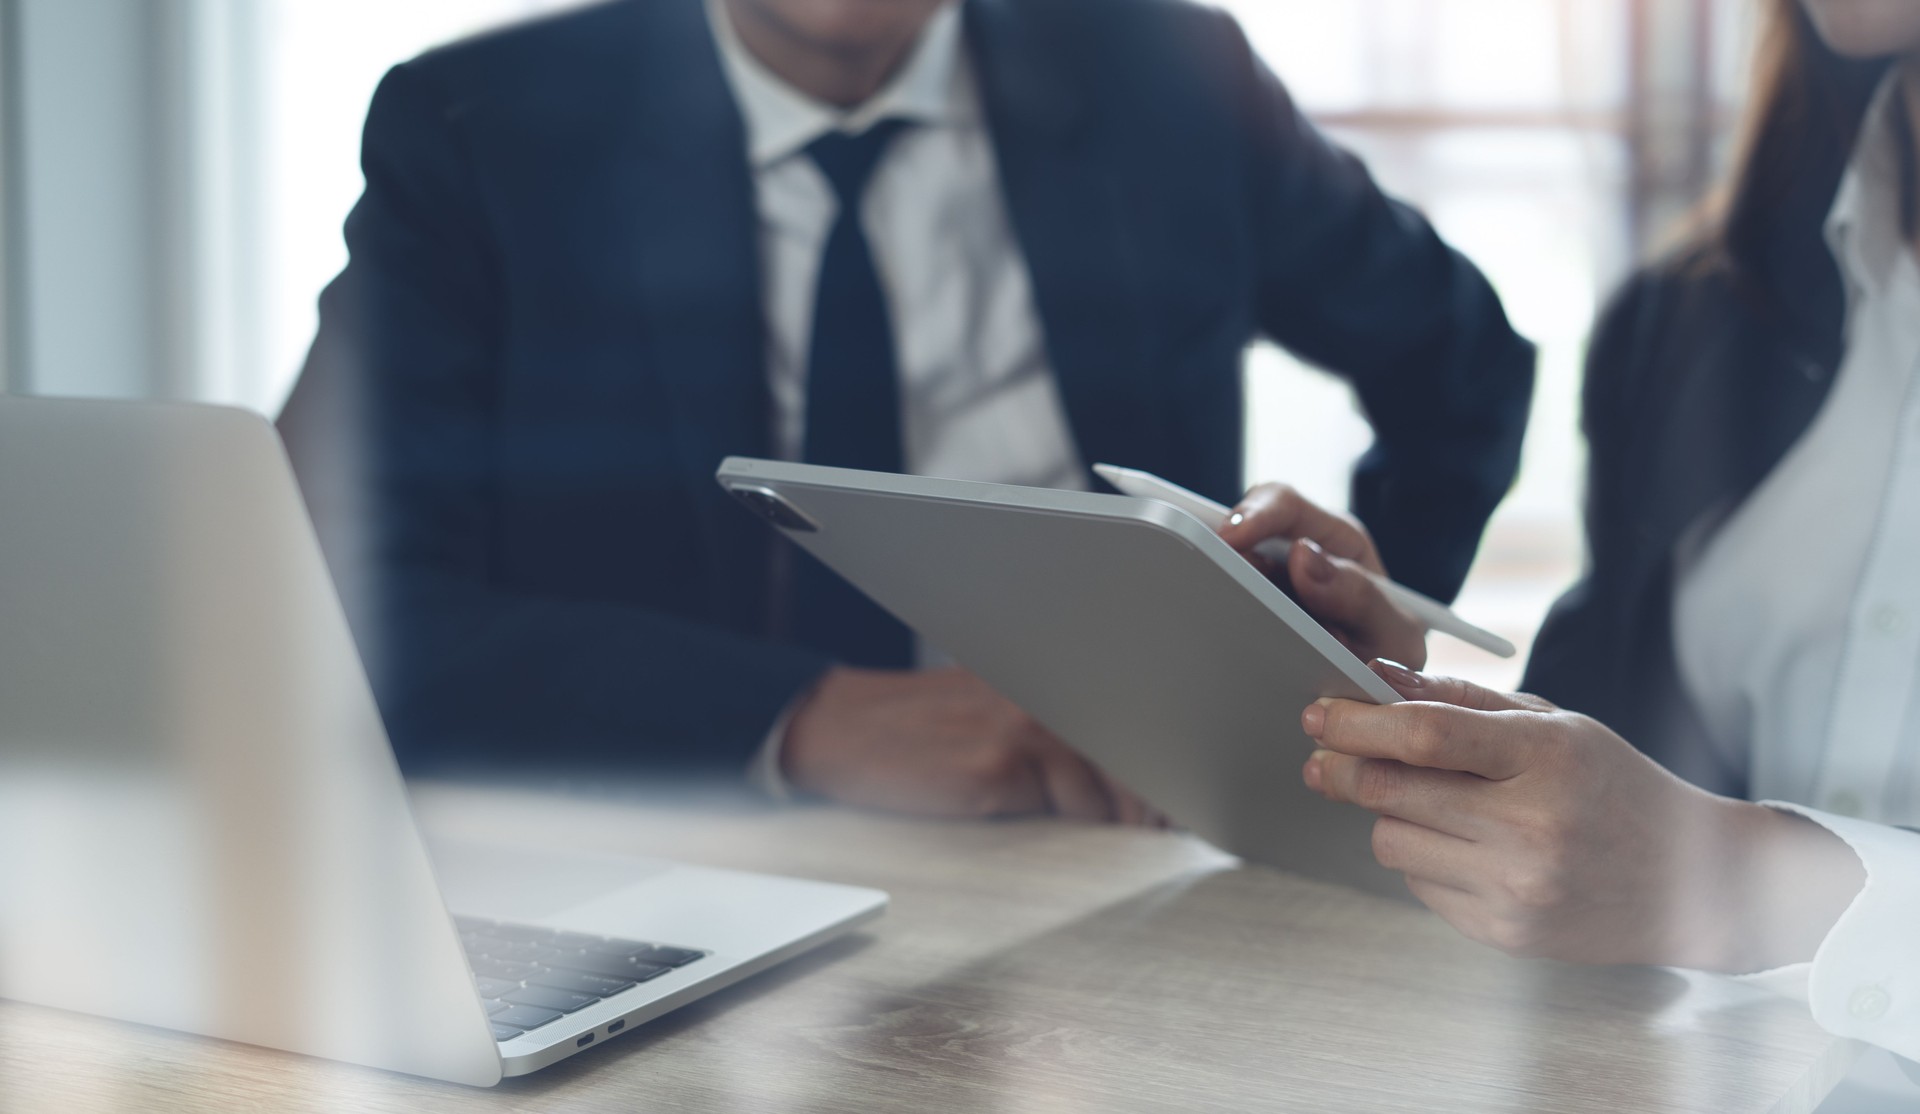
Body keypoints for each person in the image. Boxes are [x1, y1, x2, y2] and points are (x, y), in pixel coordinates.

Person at [277, 0, 1534, 822]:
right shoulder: (485, 130)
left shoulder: (1168, 72)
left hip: (1111, 833)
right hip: (679, 834)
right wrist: (798, 717)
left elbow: (1461, 364)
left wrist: (1324, 674)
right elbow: (328, 590)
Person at [1224, 0, 1920, 1064]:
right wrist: (1402, 716)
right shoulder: (1690, 323)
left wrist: (1738, 886)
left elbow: (1683, 869)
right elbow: (1610, 816)